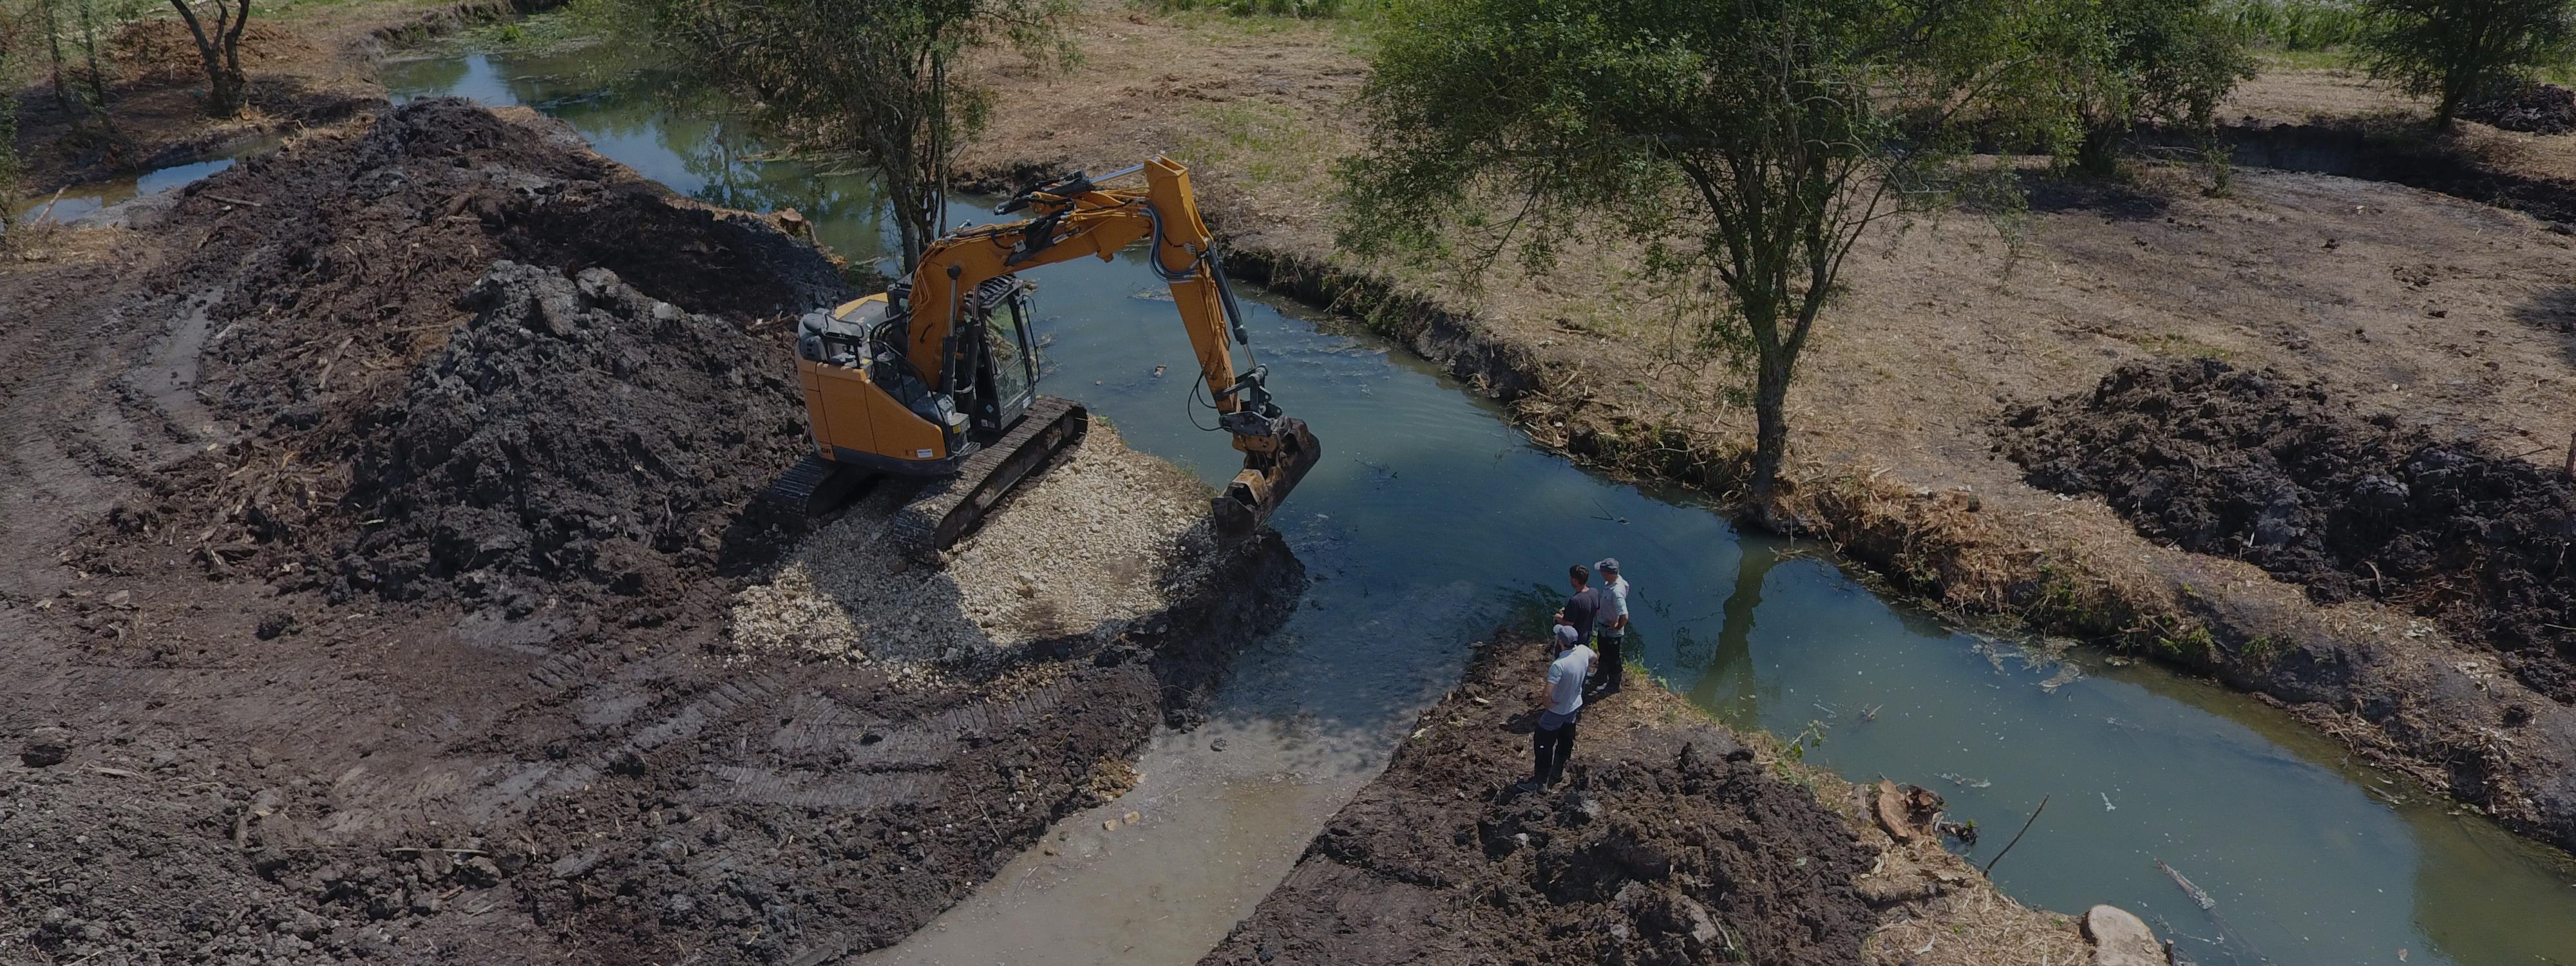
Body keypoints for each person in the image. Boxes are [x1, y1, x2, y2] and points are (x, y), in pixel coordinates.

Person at [1518, 622, 1595, 793]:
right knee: (1566, 739)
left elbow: (1547, 695)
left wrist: (1548, 704)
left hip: (1558, 710)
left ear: (1561, 642)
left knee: (1543, 743)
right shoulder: (1583, 650)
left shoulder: (1559, 665)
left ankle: (1540, 784)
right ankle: (1558, 772)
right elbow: (1594, 657)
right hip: (1575, 706)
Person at [1592, 557, 1630, 694]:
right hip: (1604, 628)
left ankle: (1614, 685)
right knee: (1604, 653)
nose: (1601, 573)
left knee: (1613, 658)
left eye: (1602, 571)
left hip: (1611, 633)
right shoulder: (1615, 581)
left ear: (1607, 573)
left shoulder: (1616, 592)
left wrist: (1617, 626)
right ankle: (1600, 676)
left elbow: (1624, 616)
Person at [1555, 564, 1599, 645]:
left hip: (1575, 640)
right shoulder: (1594, 592)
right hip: (1587, 638)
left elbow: (1567, 625)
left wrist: (1558, 618)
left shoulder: (1575, 600)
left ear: (1575, 580)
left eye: (1571, 577)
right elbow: (1597, 612)